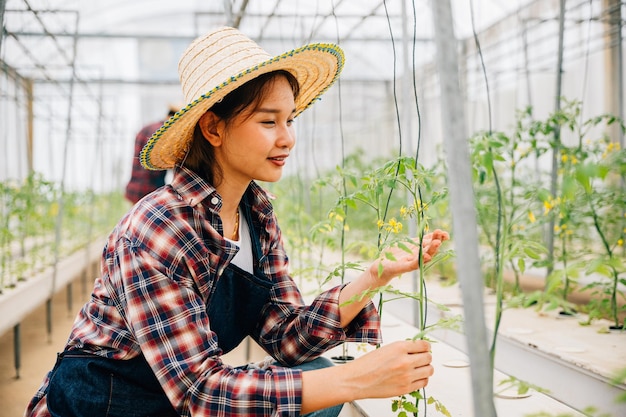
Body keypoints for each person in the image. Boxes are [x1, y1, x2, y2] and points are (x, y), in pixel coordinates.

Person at [25, 26, 449, 417]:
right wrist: (356, 378)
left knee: (317, 375)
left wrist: (375, 275)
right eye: (268, 121)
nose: (287, 138)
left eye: (290, 120)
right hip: (106, 404)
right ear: (212, 128)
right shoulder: (158, 229)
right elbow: (202, 394)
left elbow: (288, 337)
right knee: (324, 386)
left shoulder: (257, 215)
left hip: (171, 402)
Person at [123, 104, 178, 204]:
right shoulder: (165, 133)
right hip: (150, 189)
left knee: (137, 217)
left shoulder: (147, 127)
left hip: (134, 187)